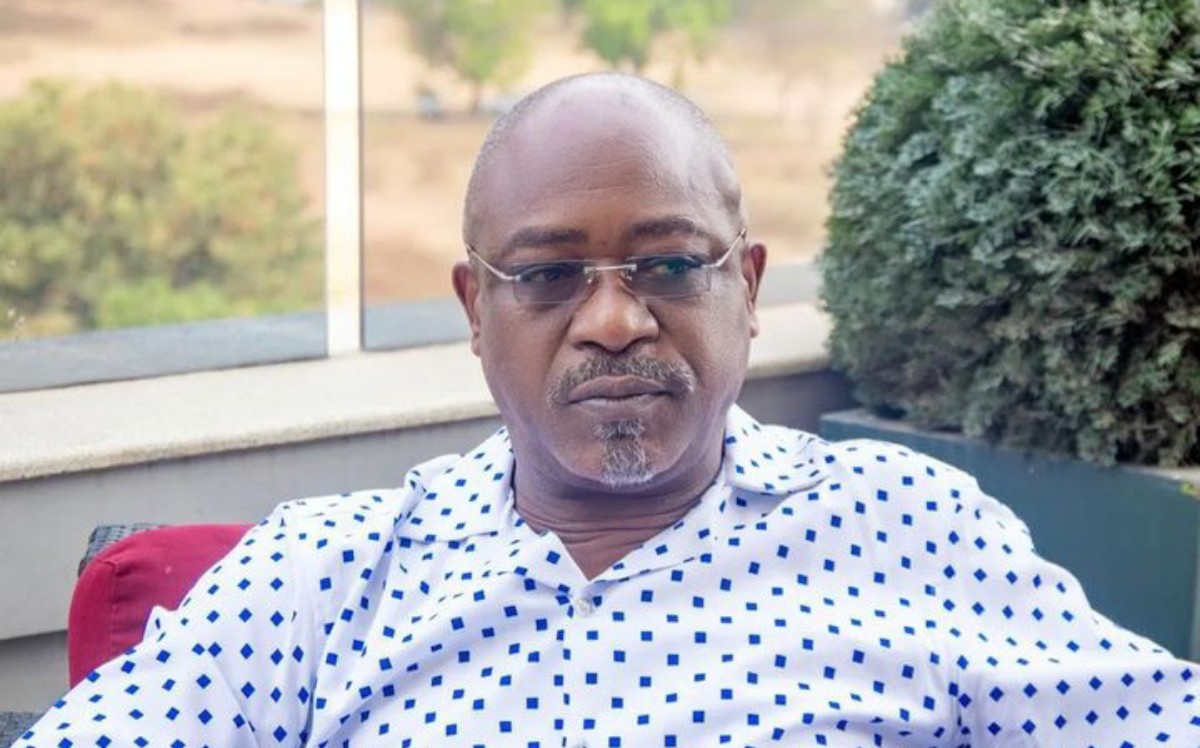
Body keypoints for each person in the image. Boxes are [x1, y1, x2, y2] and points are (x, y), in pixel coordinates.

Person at [15, 73, 1197, 747]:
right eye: (548, 275)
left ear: (746, 287)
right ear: (477, 308)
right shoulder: (322, 574)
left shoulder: (912, 530)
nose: (617, 319)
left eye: (672, 264)